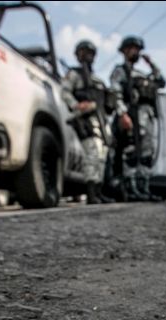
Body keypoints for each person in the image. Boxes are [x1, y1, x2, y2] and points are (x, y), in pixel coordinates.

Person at [110, 35, 166, 202]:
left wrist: (151, 64)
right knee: (132, 152)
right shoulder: (121, 71)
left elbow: (162, 81)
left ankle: (144, 187)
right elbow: (115, 93)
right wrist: (123, 114)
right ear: (125, 51)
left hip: (147, 117)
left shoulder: (142, 74)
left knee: (147, 154)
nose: (136, 52)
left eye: (138, 49)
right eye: (133, 48)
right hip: (132, 115)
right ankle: (130, 188)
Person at [61, 40, 114, 204]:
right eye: (83, 52)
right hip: (85, 118)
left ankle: (98, 191)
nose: (87, 56)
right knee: (92, 154)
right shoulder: (74, 74)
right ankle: (91, 193)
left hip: (101, 120)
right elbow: (65, 92)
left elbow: (107, 103)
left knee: (102, 156)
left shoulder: (98, 80)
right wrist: (76, 105)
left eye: (90, 53)